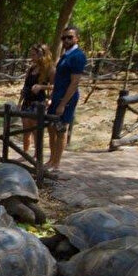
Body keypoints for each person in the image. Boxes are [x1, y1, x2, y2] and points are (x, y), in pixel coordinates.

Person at [47, 26, 87, 171]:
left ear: (77, 38)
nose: (66, 40)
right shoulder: (65, 55)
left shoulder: (78, 56)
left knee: (60, 130)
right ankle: (51, 159)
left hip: (67, 99)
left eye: (70, 37)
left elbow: (74, 82)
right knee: (51, 128)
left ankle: (56, 163)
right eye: (64, 38)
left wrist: (63, 103)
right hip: (56, 96)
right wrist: (52, 97)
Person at [18, 44, 55, 153]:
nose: (32, 57)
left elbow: (55, 86)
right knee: (26, 130)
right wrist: (19, 102)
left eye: (34, 55)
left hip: (38, 102)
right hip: (27, 101)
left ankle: (37, 155)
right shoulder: (31, 68)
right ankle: (25, 153)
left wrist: (42, 87)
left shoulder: (50, 69)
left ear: (42, 55)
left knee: (36, 131)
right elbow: (25, 86)